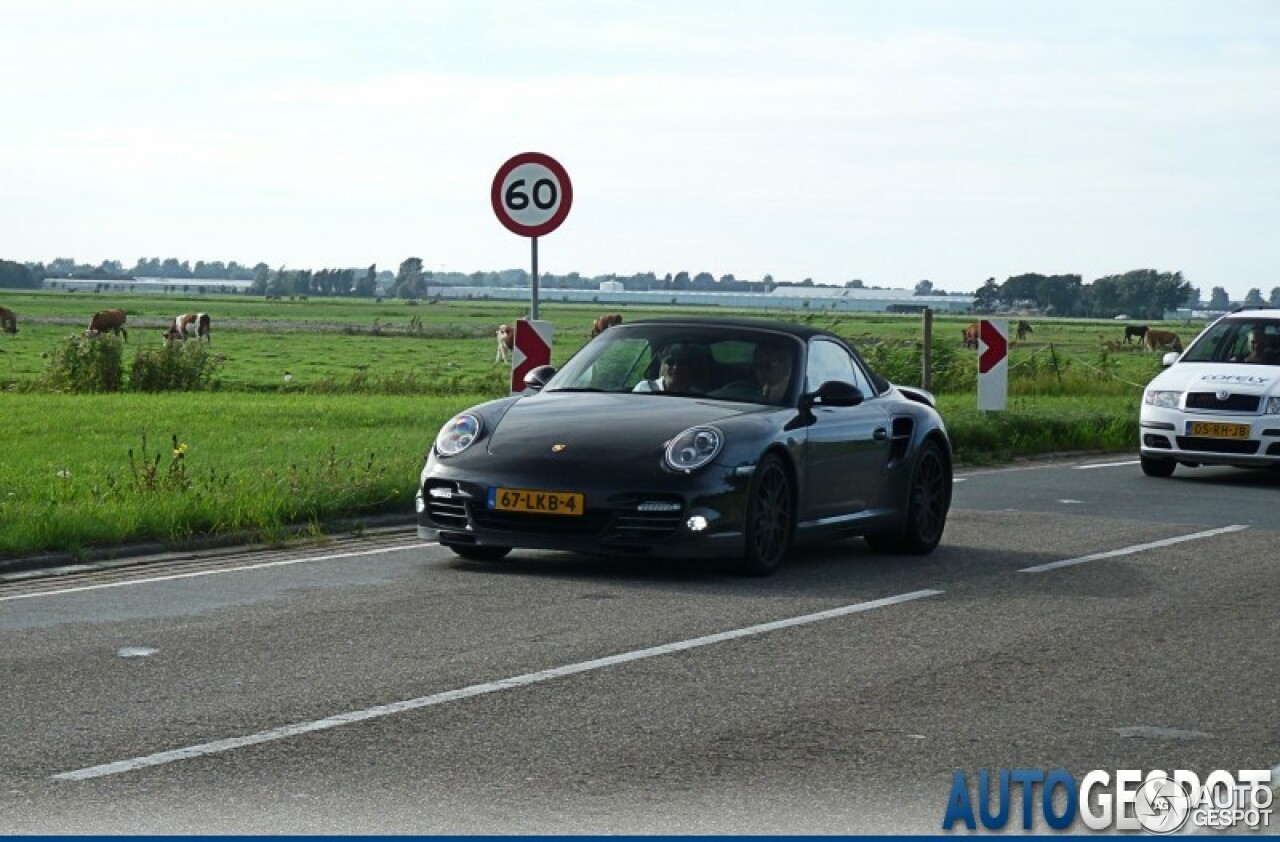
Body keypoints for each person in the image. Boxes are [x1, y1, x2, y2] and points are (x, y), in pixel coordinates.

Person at [633, 345, 705, 393]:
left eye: (682, 363)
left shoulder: (698, 396)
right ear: (662, 365)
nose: (676, 367)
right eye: (670, 362)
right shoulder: (644, 388)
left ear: (690, 368)